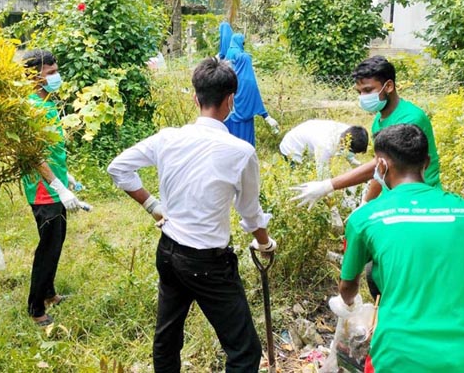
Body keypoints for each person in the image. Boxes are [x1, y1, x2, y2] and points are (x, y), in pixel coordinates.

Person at [107, 57, 277, 372]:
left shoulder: (167, 138)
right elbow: (250, 212)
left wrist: (151, 205)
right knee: (244, 352)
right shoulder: (240, 152)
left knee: (167, 339)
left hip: (169, 252)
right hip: (207, 263)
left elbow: (118, 168)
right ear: (231, 100)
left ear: (195, 97)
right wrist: (265, 244)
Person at [332, 124, 464, 372]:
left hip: (398, 352)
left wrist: (349, 303)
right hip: (462, 352)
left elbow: (347, 287)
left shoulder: (366, 218)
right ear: (426, 162)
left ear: (380, 166)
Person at [292, 56, 441, 209]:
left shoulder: (410, 119)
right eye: (360, 92)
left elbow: (383, 163)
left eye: (368, 90)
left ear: (389, 86)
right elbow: (382, 168)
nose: (363, 97)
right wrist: (366, 202)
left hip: (421, 197)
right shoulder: (379, 119)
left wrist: (329, 185)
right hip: (396, 195)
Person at [21, 49, 91, 327]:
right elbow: (33, 154)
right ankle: (36, 307)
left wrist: (67, 176)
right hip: (43, 189)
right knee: (47, 247)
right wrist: (59, 186)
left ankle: (48, 294)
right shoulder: (30, 108)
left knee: (57, 240)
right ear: (32, 75)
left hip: (55, 183)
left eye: (55, 71)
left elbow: (50, 149)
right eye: (50, 73)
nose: (55, 77)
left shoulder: (46, 101)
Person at [225, 52, 280, 146]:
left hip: (230, 118)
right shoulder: (250, 81)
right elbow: (256, 98)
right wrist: (266, 116)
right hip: (246, 121)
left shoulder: (230, 79)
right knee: (245, 146)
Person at [279, 119, 368, 172]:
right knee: (302, 178)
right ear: (343, 144)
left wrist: (356, 165)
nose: (353, 154)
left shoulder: (350, 131)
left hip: (307, 136)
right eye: (352, 152)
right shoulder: (325, 145)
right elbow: (322, 175)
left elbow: (348, 149)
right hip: (291, 148)